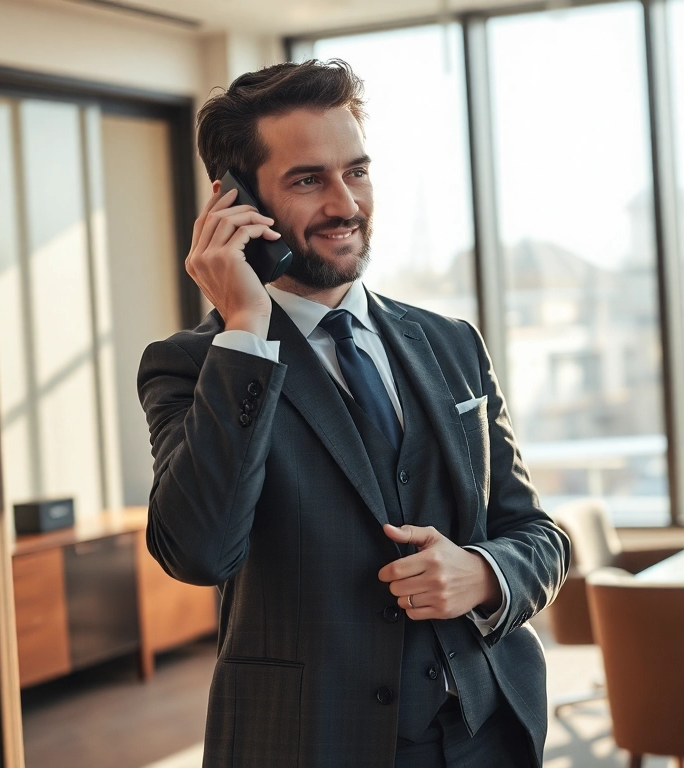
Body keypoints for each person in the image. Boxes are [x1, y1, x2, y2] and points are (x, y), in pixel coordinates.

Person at [137, 59, 568, 768]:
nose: (346, 203)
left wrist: (483, 574)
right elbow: (199, 551)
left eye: (357, 172)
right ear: (235, 201)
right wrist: (243, 325)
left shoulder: (451, 342)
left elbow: (537, 533)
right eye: (309, 179)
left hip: (486, 735)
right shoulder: (194, 363)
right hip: (308, 744)